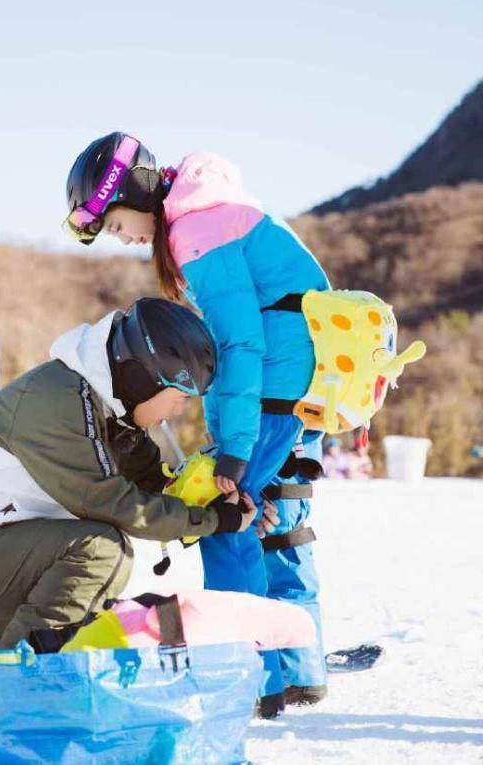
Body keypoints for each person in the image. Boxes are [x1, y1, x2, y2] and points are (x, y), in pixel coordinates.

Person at [0, 298, 262, 724]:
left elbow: (153, 484)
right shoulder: (61, 402)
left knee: (100, 579)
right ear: (143, 376)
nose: (180, 409)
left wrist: (216, 502)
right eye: (179, 396)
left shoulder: (107, 405)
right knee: (101, 552)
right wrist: (214, 522)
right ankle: (20, 692)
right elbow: (113, 503)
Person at [64, 133, 331, 715]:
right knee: (280, 517)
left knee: (227, 514)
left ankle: (248, 678)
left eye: (117, 225)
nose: (126, 238)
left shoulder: (196, 229)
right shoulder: (215, 209)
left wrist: (232, 448)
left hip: (274, 388)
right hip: (306, 382)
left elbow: (240, 341)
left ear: (131, 193)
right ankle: (298, 668)